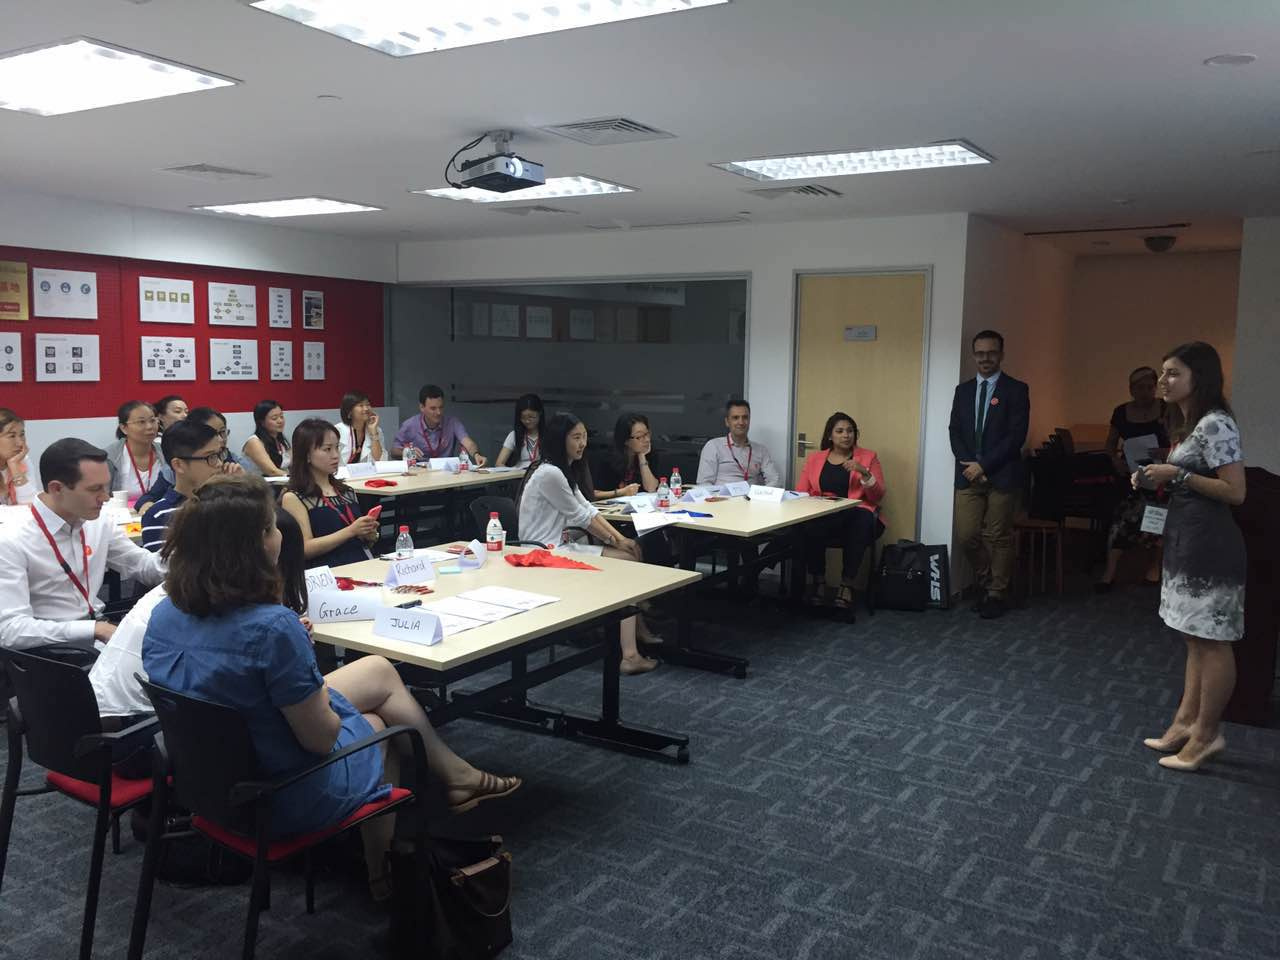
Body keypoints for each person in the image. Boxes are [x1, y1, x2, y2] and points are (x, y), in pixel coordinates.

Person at [142, 476, 520, 893]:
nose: (280, 536)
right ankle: (384, 872)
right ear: (253, 546)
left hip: (208, 789)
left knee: (377, 670)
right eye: (271, 527)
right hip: (278, 798)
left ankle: (448, 783)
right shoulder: (272, 629)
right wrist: (307, 671)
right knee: (377, 725)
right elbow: (321, 739)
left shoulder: (164, 615)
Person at [91, 508, 313, 729]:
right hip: (137, 721)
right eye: (271, 530)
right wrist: (288, 644)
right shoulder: (228, 607)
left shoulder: (188, 592)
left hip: (142, 716)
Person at [1136, 342, 1246, 773]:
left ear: (1199, 377)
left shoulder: (1217, 423)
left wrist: (1177, 474)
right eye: (1163, 372)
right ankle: (1185, 722)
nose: (1162, 381)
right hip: (1187, 539)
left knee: (1213, 642)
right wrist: (1155, 477)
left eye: (1173, 373)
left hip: (1211, 546)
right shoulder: (1191, 424)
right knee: (1193, 637)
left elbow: (1236, 492)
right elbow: (1189, 479)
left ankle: (1206, 735)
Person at [518, 413, 661, 673]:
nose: (582, 443)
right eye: (576, 437)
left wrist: (621, 540)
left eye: (584, 437)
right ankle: (629, 653)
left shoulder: (561, 470)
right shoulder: (550, 473)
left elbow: (588, 509)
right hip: (543, 553)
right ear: (560, 440)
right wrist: (616, 540)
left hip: (559, 546)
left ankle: (632, 635)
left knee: (629, 554)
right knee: (628, 563)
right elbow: (582, 517)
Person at [0, 439, 165, 655]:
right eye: (95, 489)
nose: (105, 497)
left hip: (96, 635)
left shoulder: (98, 522)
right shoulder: (12, 539)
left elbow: (144, 566)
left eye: (106, 486)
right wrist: (92, 629)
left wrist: (193, 557)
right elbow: (9, 630)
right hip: (46, 653)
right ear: (57, 488)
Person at [949, 330, 1030, 620]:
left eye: (991, 352)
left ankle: (996, 593)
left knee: (998, 536)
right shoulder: (963, 391)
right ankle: (989, 581)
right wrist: (970, 465)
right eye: (980, 353)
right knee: (967, 535)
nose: (985, 358)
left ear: (1001, 354)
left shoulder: (1016, 390)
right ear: (974, 355)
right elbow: (954, 431)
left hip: (1002, 475)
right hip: (968, 475)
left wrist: (984, 466)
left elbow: (1016, 436)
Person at [794, 413, 886, 609]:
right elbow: (801, 492)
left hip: (856, 514)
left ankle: (846, 584)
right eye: (840, 431)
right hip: (825, 514)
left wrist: (864, 472)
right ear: (830, 435)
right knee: (809, 525)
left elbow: (877, 496)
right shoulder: (815, 458)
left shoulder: (868, 457)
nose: (846, 435)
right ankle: (818, 581)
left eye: (850, 431)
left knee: (861, 520)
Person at [1096, 366, 1171, 591]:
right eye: (1139, 388)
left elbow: (1183, 442)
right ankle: (1109, 573)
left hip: (1160, 477)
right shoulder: (1121, 412)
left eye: (1149, 387)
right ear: (1131, 390)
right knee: (1121, 520)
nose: (1145, 392)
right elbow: (1110, 444)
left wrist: (1167, 451)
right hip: (1131, 475)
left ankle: (1153, 568)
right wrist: (1114, 460)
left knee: (1156, 520)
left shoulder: (1167, 409)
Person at [281, 418, 380, 568]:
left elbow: (364, 542)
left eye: (337, 447)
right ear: (307, 455)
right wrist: (351, 531)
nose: (335, 455)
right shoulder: (293, 497)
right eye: (327, 449)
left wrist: (369, 535)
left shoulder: (346, 491)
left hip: (360, 564)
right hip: (325, 572)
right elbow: (305, 549)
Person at [140, 420, 224, 552]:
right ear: (179, 465)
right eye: (211, 457)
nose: (219, 463)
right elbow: (164, 564)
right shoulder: (159, 516)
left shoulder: (229, 502)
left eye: (220, 454)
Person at [391, 384, 487, 466]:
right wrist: (407, 451)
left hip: (446, 473)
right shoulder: (410, 425)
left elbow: (468, 443)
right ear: (422, 407)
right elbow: (394, 451)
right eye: (433, 408)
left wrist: (476, 455)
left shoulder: (452, 423)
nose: (438, 412)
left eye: (441, 407)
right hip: (420, 474)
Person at [696, 399, 782, 488]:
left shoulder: (761, 450)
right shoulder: (713, 446)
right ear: (727, 422)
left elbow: (775, 480)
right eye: (735, 418)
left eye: (745, 417)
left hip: (751, 496)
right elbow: (703, 483)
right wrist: (718, 495)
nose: (741, 422)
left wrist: (760, 493)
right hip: (722, 496)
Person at [105, 400, 163, 508]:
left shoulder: (166, 454)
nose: (149, 426)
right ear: (124, 428)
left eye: (152, 420)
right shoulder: (108, 458)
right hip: (120, 515)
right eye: (141, 422)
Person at [592, 413, 656, 499]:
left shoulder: (649, 454)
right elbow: (594, 493)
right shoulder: (607, 459)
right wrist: (621, 492)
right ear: (626, 440)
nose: (647, 440)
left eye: (647, 434)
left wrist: (641, 456)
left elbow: (651, 488)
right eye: (639, 436)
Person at [242, 399, 291, 477]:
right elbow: (272, 471)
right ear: (262, 422)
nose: (280, 421)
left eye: (281, 416)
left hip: (282, 482)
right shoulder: (254, 442)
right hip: (260, 483)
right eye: (274, 418)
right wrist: (294, 478)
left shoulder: (281, 442)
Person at [495, 393, 544, 469]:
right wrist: (512, 472)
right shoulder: (514, 435)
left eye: (531, 417)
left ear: (540, 413)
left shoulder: (550, 435)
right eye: (523, 417)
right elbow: (499, 464)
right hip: (519, 475)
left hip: (543, 474)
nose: (527, 421)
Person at [336, 391, 384, 465]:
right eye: (361, 405)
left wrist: (373, 432)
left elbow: (379, 460)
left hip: (366, 471)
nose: (366, 408)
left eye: (368, 404)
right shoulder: (338, 431)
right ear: (349, 411)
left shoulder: (376, 430)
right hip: (341, 471)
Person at [0, 408, 36, 506]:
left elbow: (31, 505)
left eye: (22, 435)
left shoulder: (21, 460)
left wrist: (14, 466)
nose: (20, 443)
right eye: (12, 436)